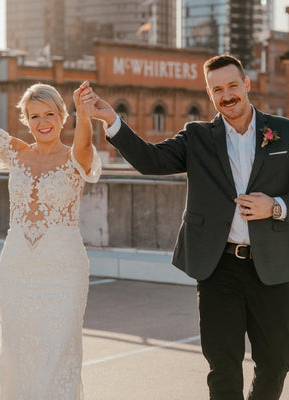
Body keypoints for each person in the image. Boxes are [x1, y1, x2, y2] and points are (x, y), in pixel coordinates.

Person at [82, 55, 289, 400]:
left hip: (274, 266)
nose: (227, 95)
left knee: (276, 362)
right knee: (222, 366)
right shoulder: (197, 137)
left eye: (233, 86)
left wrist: (277, 206)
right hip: (218, 266)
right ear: (210, 95)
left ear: (247, 85)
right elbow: (151, 161)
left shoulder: (284, 132)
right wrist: (111, 120)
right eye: (217, 89)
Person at [0, 81, 101, 399]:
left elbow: (85, 145)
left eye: (50, 114)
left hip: (63, 271)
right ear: (26, 120)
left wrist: (86, 116)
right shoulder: (15, 152)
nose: (43, 123)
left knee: (59, 351)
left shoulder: (75, 158)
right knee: (18, 350)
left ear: (62, 116)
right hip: (17, 268)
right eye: (34, 116)